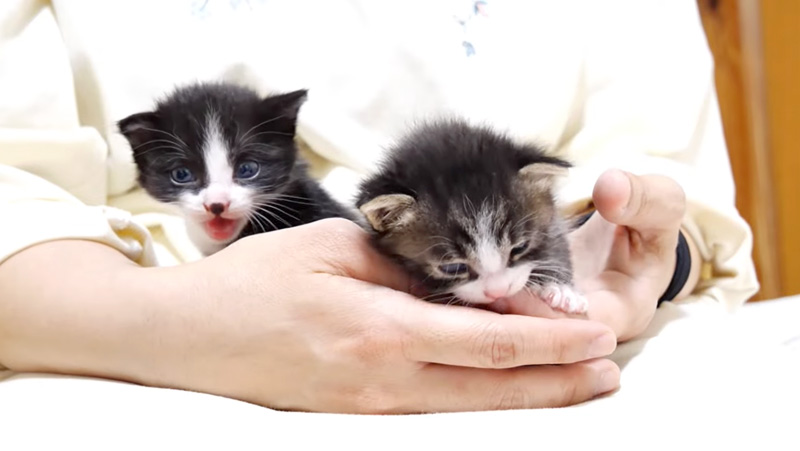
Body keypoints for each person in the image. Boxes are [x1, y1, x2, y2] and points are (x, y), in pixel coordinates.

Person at [0, 0, 758, 415]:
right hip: (105, 355)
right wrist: (166, 324)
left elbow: (671, 180)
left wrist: (639, 255)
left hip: (580, 343)